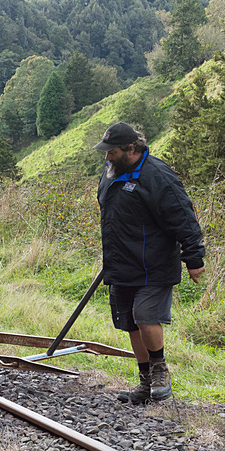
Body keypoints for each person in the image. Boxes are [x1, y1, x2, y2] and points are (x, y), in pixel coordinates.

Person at [94, 122, 205, 404]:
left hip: (153, 262)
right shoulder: (110, 174)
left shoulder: (157, 175)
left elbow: (182, 216)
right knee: (129, 322)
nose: (107, 157)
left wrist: (193, 256)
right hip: (121, 263)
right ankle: (145, 383)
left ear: (131, 148)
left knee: (145, 315)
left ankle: (160, 372)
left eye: (112, 151)